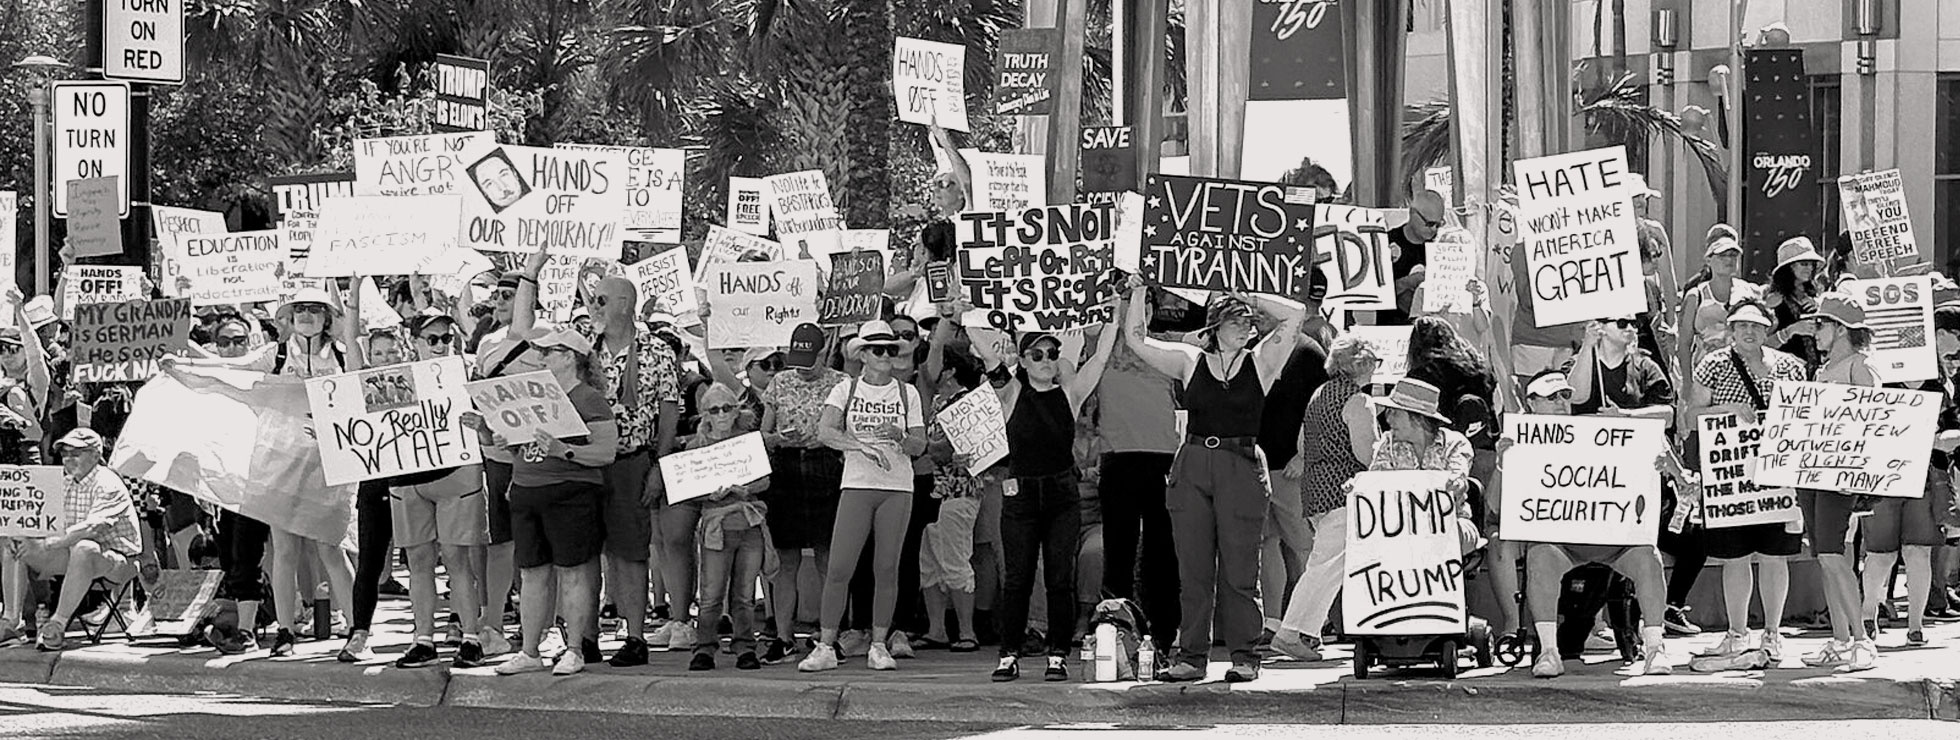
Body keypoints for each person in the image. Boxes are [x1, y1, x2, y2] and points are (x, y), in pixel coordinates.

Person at [1121, 280, 1303, 683]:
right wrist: (1135, 292)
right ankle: (1191, 657)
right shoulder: (1190, 360)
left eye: (1249, 321)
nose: (1246, 328)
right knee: (1193, 568)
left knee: (1241, 568)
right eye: (1237, 320)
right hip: (1194, 462)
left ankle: (1244, 656)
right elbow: (1136, 339)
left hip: (1241, 463)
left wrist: (1247, 294)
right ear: (1215, 326)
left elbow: (1295, 314)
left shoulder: (1262, 362)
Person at [511, 248, 681, 667]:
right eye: (591, 299)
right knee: (582, 552)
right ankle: (583, 638)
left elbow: (668, 413)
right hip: (574, 463)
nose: (592, 305)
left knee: (629, 551)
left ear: (625, 304)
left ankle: (635, 635)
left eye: (601, 299)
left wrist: (659, 465)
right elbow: (523, 334)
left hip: (628, 461)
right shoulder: (580, 346)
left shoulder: (658, 352)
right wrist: (531, 277)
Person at [169, 286, 357, 656]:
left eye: (315, 309)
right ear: (290, 316)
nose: (306, 314)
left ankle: (356, 629)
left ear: (327, 317)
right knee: (285, 550)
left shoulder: (341, 354)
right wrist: (184, 368)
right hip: (281, 462)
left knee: (331, 550)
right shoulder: (276, 353)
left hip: (329, 464)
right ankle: (285, 633)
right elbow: (231, 368)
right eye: (299, 308)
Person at [1505, 370, 1679, 678]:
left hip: (1617, 541)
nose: (1561, 402)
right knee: (1540, 555)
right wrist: (1504, 463)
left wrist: (1665, 467)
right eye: (1551, 397)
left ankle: (1655, 648)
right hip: (1562, 543)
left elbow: (1661, 454)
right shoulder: (1517, 442)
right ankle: (1549, 651)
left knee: (1649, 558)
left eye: (1565, 395)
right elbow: (1500, 504)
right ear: (1531, 404)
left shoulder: (1599, 431)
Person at [480, 328, 618, 676]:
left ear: (570, 357)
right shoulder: (534, 396)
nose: (540, 359)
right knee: (531, 574)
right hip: (528, 492)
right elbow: (517, 449)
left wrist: (565, 450)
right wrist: (487, 432)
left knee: (572, 573)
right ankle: (529, 651)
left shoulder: (589, 399)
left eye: (548, 352)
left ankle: (575, 649)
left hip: (571, 494)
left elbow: (605, 452)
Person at [990, 321, 1120, 682]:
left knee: (1060, 577)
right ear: (1024, 359)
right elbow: (986, 353)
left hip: (1062, 494)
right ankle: (1008, 653)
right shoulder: (1011, 392)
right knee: (1017, 577)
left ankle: (1058, 654)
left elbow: (1100, 358)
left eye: (1052, 354)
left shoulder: (1070, 393)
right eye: (1038, 355)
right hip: (1022, 494)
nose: (1047, 360)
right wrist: (964, 313)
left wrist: (1114, 317)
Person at [1682, 300, 1807, 670]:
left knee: (1774, 556)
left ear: (1767, 329)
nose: (1749, 332)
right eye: (1741, 326)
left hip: (1777, 476)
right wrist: (1731, 410)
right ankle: (1737, 632)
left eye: (1756, 325)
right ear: (1731, 330)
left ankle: (1772, 631)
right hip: (1731, 478)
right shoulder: (1714, 364)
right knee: (1734, 557)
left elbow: (1803, 412)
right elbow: (1692, 414)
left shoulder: (1790, 366)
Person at [800, 321, 927, 673]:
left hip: (897, 487)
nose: (885, 355)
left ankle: (879, 643)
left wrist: (898, 435)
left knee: (887, 567)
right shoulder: (846, 389)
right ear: (863, 354)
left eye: (891, 349)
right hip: (856, 483)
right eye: (877, 349)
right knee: (840, 565)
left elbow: (920, 444)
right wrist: (860, 446)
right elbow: (825, 431)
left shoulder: (908, 393)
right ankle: (826, 644)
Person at [381, 314, 493, 670]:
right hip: (408, 477)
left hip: (457, 473)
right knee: (418, 561)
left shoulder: (470, 375)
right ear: (415, 341)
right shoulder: (397, 379)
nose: (440, 344)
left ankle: (471, 637)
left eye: (447, 337)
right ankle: (423, 639)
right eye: (431, 338)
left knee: (458, 558)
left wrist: (483, 425)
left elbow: (493, 433)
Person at [1271, 335, 1380, 661]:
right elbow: (1366, 454)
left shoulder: (1320, 394)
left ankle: (1309, 631)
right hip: (1345, 491)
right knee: (1324, 564)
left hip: (1316, 489)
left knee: (1332, 563)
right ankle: (1289, 633)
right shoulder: (1359, 401)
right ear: (1361, 365)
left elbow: (1304, 447)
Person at [1094, 289, 1184, 657]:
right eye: (1127, 302)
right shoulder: (1097, 345)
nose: (1135, 310)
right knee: (1118, 551)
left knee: (1162, 554)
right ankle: (1114, 633)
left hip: (1164, 460)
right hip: (1118, 459)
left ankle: (1163, 636)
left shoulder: (1168, 346)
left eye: (1142, 303)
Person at [1799, 293, 1881, 672]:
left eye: (1821, 324)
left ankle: (1862, 640)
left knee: (1834, 555)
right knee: (1827, 559)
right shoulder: (1823, 370)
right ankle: (1840, 639)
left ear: (1841, 328)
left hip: (1840, 476)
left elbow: (1875, 422)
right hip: (1814, 472)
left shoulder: (1860, 366)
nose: (1815, 331)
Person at [0, 429, 141, 649]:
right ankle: (11, 622)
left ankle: (57, 624)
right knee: (15, 542)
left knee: (85, 547)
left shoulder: (108, 483)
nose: (68, 458)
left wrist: (51, 543)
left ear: (96, 455)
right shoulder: (64, 483)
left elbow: (93, 527)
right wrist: (22, 534)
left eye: (76, 453)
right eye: (65, 453)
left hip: (120, 562)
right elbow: (43, 522)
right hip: (71, 554)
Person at [759, 324, 847, 664]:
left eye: (809, 359)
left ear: (823, 353)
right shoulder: (780, 382)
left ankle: (830, 636)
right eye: (798, 358)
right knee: (786, 560)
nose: (803, 366)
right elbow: (763, 434)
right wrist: (780, 438)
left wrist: (825, 438)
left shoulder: (840, 382)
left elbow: (847, 429)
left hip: (825, 466)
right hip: (787, 466)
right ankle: (783, 636)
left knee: (828, 557)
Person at [689, 383, 772, 671]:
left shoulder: (748, 441)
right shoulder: (696, 445)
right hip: (716, 525)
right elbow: (686, 488)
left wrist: (746, 488)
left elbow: (765, 481)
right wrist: (708, 495)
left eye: (727, 408)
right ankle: (704, 648)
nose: (722, 414)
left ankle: (745, 646)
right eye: (714, 409)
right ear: (705, 414)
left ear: (737, 411)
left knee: (744, 593)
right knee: (711, 594)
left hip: (748, 523)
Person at [1677, 235, 1762, 378]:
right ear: (1709, 260)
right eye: (1722, 255)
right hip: (1706, 373)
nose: (1729, 260)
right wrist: (1687, 382)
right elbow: (1684, 344)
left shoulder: (1748, 292)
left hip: (1744, 372)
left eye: (1733, 255)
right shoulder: (1696, 295)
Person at [1385, 190, 1448, 325]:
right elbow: (1375, 295)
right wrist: (1407, 282)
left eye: (1439, 224)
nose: (1434, 230)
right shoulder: (1386, 243)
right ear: (1413, 214)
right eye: (1430, 223)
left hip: (1429, 331)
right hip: (1391, 328)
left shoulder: (1441, 249)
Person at [1763, 237, 1827, 370]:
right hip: (1787, 375)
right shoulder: (1774, 301)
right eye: (1804, 263)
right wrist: (1791, 331)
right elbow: (1761, 345)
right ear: (1789, 268)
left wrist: (1821, 312)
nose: (1809, 268)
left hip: (1817, 374)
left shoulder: (1816, 298)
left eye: (1811, 264)